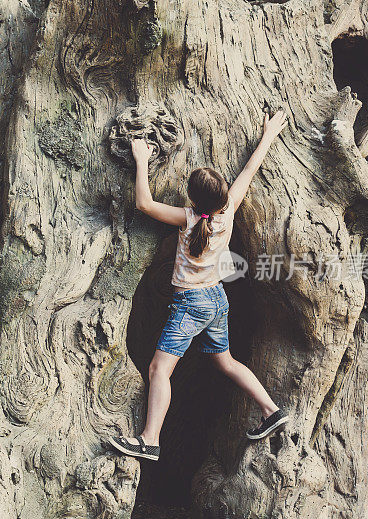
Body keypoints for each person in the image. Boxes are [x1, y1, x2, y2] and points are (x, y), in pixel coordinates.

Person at [108, 110, 289, 461]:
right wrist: (267, 135)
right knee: (226, 362)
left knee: (160, 369)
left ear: (191, 199)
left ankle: (149, 439)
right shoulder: (229, 211)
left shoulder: (188, 219)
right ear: (222, 195)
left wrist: (141, 159)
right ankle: (271, 410)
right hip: (216, 300)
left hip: (190, 305)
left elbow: (144, 203)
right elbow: (249, 171)